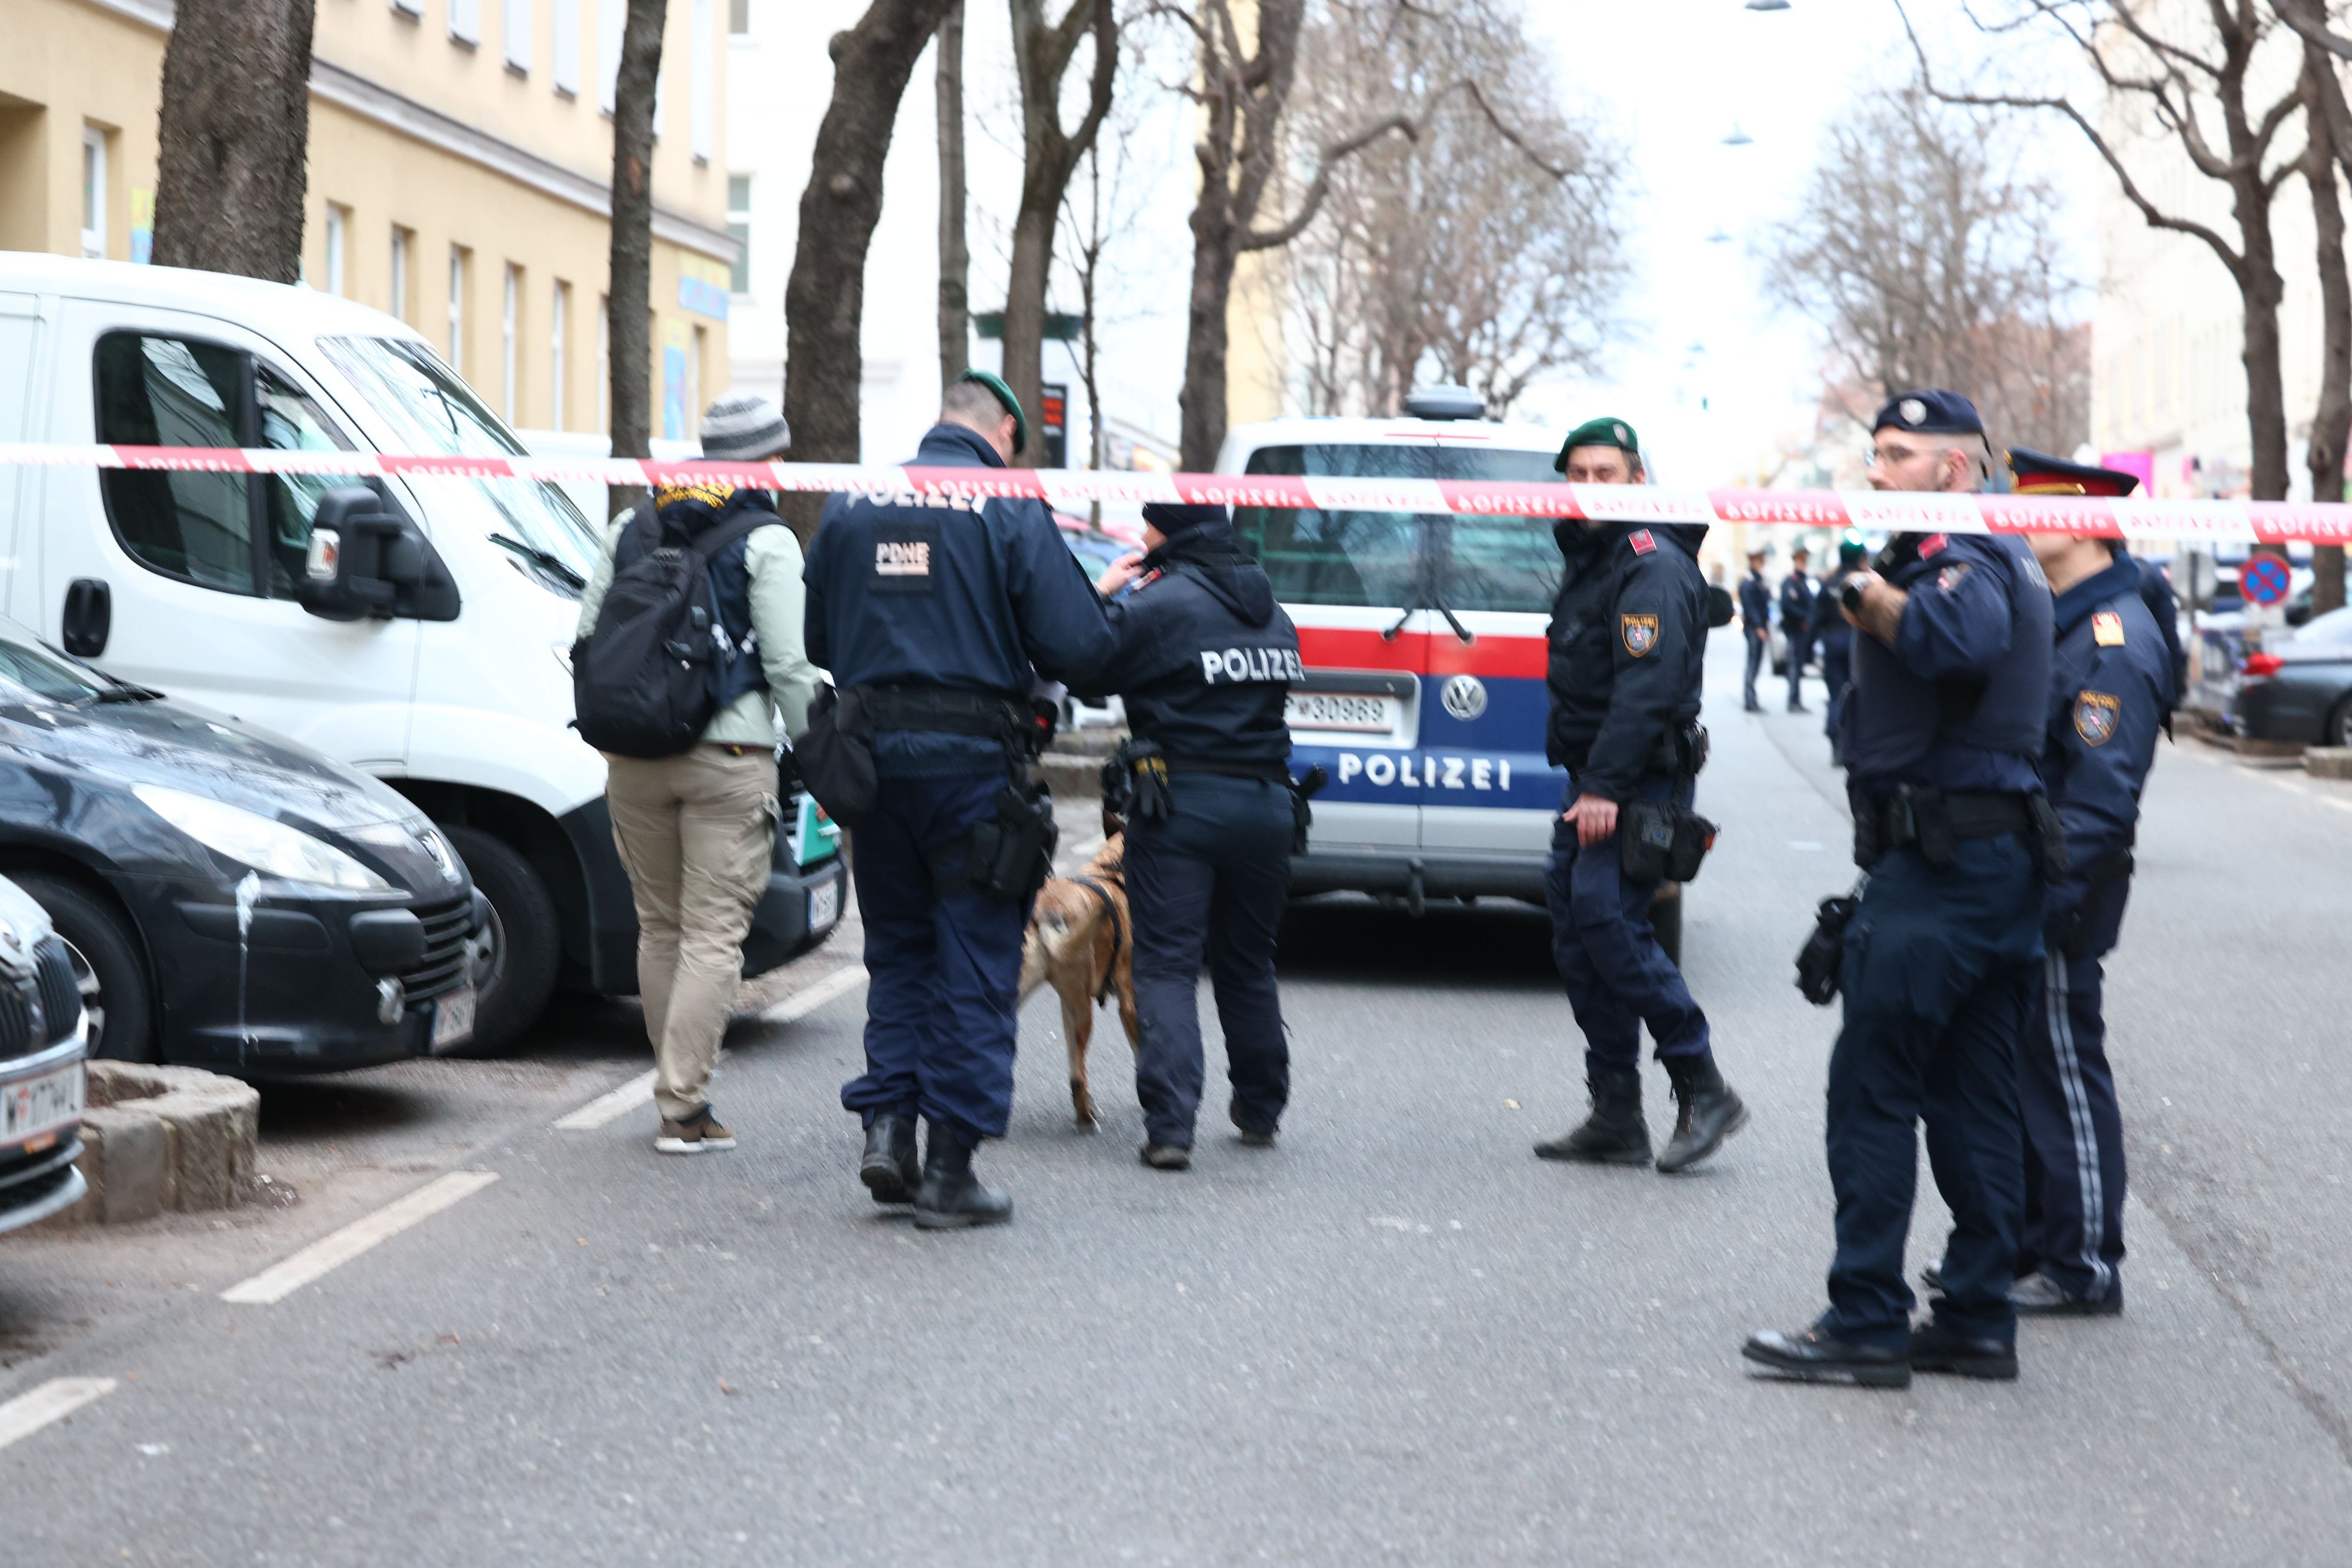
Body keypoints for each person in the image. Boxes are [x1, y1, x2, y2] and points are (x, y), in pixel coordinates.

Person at [1743, 390, 2053, 1389]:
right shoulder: (1984, 551)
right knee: (1972, 1099)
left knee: (1872, 1090)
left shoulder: (1967, 557)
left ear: (1954, 472)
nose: (1877, 470)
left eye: (1897, 454)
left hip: (1946, 871)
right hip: (1986, 865)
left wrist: (1866, 595)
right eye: (1875, 453)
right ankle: (1975, 1316)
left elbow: (1954, 643)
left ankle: (1867, 1318)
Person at [804, 370, 1118, 1229]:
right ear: (1005, 434)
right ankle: (949, 1171)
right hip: (973, 774)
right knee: (975, 960)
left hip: (872, 767)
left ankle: (888, 1129)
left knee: (898, 952)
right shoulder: (1008, 504)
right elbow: (1081, 648)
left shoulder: (854, 500)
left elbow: (818, 639)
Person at [576, 392, 818, 1155]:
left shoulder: (632, 524)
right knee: (715, 934)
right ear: (764, 460)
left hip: (634, 757)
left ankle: (676, 1088)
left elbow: (587, 636)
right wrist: (820, 748)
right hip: (730, 757)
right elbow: (787, 662)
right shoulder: (767, 538)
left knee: (662, 926)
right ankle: (683, 1105)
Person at [1532, 417, 1748, 1174]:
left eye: (1606, 475)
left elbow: (1648, 686)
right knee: (1576, 925)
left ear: (1637, 480)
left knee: (1609, 922)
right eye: (1578, 474)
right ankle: (1615, 1110)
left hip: (1633, 780)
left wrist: (1605, 790)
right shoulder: (1595, 554)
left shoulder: (1647, 559)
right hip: (1596, 775)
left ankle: (1703, 1083)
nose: (1589, 487)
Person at [2003, 448, 2176, 1315]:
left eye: (2030, 508)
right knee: (2032, 1066)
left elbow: (2101, 804)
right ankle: (2039, 1244)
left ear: (2079, 523)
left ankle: (2083, 1264)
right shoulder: (2065, 619)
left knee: (2065, 1067)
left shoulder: (2113, 640)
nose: (2015, 521)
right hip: (2030, 884)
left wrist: (2042, 903)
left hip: (2061, 896)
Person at [1083, 503, 1301, 1169]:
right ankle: (1261, 1106)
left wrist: (1100, 598)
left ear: (1169, 534)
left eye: (1148, 527)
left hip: (1179, 802)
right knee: (1247, 961)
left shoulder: (1160, 603)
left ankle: (1171, 1128)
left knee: (1167, 964)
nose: (1141, 538)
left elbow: (1087, 670)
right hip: (1266, 803)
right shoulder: (1273, 609)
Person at [1809, 538, 1868, 761]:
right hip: (1858, 644)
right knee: (1858, 697)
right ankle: (1852, 744)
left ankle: (1836, 741)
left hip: (1833, 643)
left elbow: (1816, 618)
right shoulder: (1866, 582)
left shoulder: (1829, 583)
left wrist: (1807, 650)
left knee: (1836, 695)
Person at [1780, 547, 1816, 713]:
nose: (1804, 564)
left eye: (1805, 561)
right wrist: (1803, 618)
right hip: (1795, 629)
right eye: (1801, 561)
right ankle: (1793, 701)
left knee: (1798, 665)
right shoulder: (1791, 581)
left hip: (1803, 631)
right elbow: (1788, 606)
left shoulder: (1803, 581)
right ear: (1796, 562)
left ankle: (1796, 700)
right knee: (1795, 666)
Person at [1738, 548, 1771, 713]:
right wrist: (1759, 627)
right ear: (1753, 562)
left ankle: (1752, 699)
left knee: (1756, 663)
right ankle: (1750, 700)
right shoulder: (1749, 582)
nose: (1761, 565)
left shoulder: (1759, 580)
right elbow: (1751, 608)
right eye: (1759, 562)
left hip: (1759, 627)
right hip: (1754, 628)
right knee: (1753, 664)